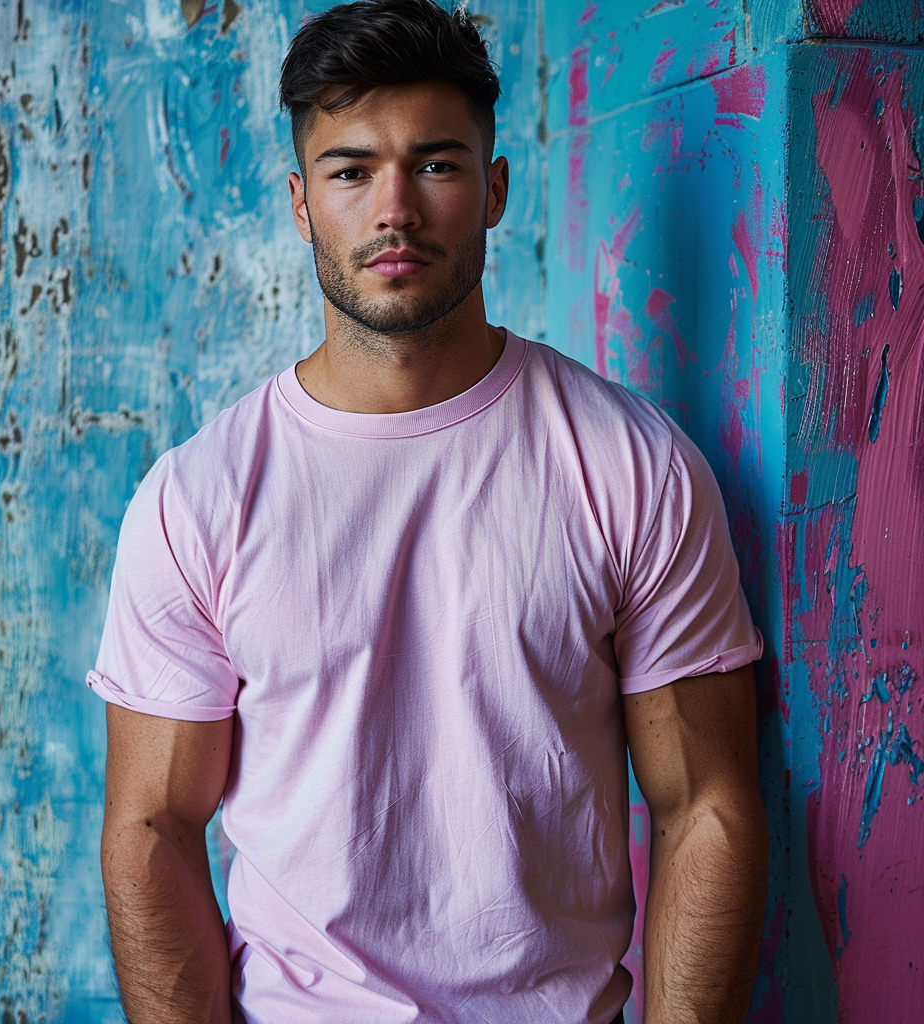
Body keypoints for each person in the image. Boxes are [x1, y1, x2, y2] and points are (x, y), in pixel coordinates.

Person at [88, 1, 768, 1022]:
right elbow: (150, 828)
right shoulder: (199, 498)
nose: (393, 208)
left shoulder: (631, 465)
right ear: (300, 202)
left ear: (492, 189)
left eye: (436, 165)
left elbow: (706, 807)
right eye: (351, 171)